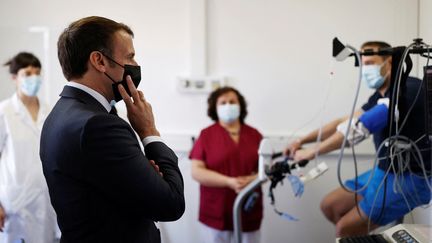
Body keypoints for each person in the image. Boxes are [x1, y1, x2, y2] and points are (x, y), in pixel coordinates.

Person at [39, 16, 185, 243]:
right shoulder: (98, 125)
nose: (135, 66)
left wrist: (145, 176)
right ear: (99, 61)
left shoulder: (61, 113)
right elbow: (171, 203)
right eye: (130, 57)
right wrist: (149, 132)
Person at [284, 41, 431, 237]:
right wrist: (302, 141)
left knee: (344, 228)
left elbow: (361, 126)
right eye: (363, 64)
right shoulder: (380, 95)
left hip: (413, 178)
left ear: (389, 62)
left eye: (371, 63)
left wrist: (313, 152)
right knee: (330, 206)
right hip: (385, 171)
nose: (365, 69)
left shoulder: (409, 89)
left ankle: (355, 232)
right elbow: (344, 121)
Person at [190, 87, 263, 243]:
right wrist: (229, 182)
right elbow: (196, 171)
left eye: (232, 101)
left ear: (240, 105)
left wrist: (252, 179)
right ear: (215, 108)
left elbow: (266, 168)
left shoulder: (254, 134)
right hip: (215, 210)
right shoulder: (206, 135)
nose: (228, 105)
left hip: (249, 209)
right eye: (223, 103)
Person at [0, 52, 57, 243]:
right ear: (15, 78)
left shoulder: (50, 111)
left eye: (37, 73)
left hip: (46, 201)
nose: (34, 78)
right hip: (13, 204)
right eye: (27, 73)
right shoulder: (4, 112)